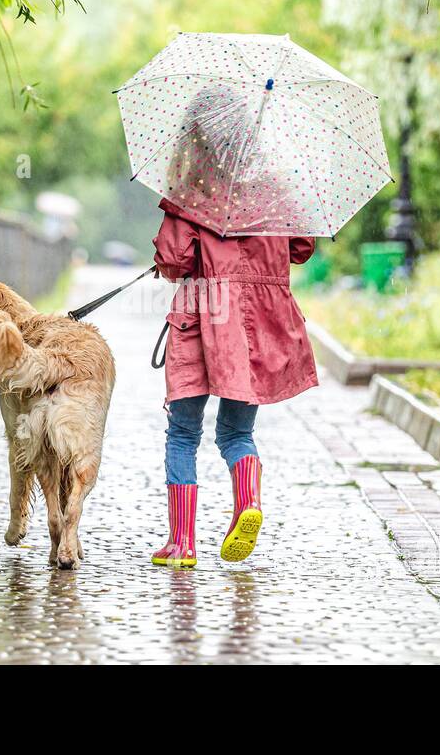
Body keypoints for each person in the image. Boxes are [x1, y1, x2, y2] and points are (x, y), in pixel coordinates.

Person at [149, 85, 319, 567]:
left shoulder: (191, 194)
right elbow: (302, 248)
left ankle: (182, 544)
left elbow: (175, 260)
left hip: (202, 320)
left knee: (184, 433)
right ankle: (248, 502)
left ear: (197, 138)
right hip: (256, 329)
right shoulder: (273, 192)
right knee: (236, 434)